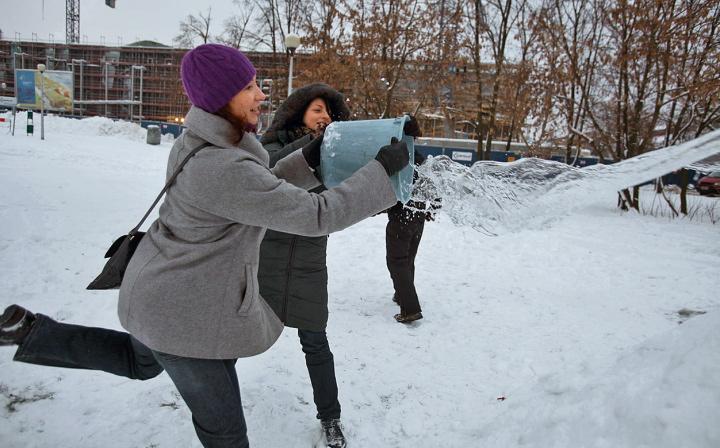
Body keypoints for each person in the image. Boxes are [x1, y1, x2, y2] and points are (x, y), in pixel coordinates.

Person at [0, 43, 409, 448]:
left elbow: (260, 186)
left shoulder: (202, 142)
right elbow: (318, 214)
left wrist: (310, 158)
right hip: (184, 314)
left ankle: (33, 333)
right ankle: (34, 334)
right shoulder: (223, 164)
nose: (261, 95)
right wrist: (379, 173)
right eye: (249, 87)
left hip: (158, 291)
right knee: (225, 435)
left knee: (137, 362)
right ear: (222, 97)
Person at [257, 83, 351, 447]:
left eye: (329, 112)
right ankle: (214, 400)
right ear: (299, 113)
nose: (325, 116)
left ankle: (330, 418)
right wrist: (312, 145)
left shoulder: (334, 155)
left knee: (316, 342)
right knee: (236, 334)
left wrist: (395, 145)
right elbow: (271, 171)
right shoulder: (269, 146)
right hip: (266, 260)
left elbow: (358, 188)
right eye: (317, 110)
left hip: (309, 262)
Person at [385, 126, 438, 324]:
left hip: (402, 216)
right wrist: (433, 208)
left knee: (397, 261)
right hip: (418, 216)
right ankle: (401, 294)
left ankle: (410, 309)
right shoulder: (421, 158)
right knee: (407, 259)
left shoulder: (398, 158)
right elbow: (434, 184)